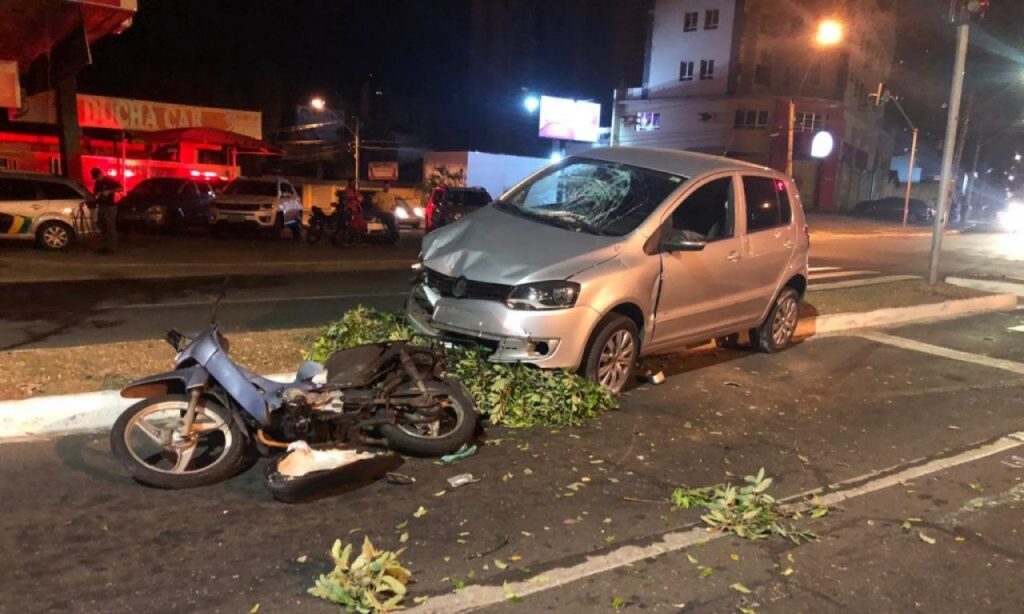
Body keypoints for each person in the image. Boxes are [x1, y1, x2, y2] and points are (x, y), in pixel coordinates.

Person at [90, 168, 121, 253]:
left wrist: (109, 191)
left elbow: (120, 188)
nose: (97, 179)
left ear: (101, 174)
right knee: (102, 225)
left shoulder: (109, 180)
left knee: (110, 226)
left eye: (97, 177)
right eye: (95, 178)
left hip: (110, 207)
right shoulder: (97, 182)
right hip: (101, 206)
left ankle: (112, 247)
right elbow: (95, 193)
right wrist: (98, 194)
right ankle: (105, 245)